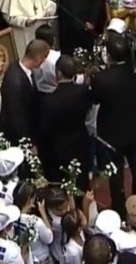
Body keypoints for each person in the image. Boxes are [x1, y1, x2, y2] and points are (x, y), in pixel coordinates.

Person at [91, 33, 136, 215]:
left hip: (112, 132)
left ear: (109, 55)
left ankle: (118, 204)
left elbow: (95, 99)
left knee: (115, 170)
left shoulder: (102, 78)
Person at [38, 55, 93, 183]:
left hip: (58, 149)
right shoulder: (84, 91)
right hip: (80, 142)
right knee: (82, 180)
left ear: (58, 73)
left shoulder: (49, 101)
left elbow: (45, 130)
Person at [0, 39, 50, 144]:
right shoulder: (16, 83)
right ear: (38, 59)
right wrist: (27, 143)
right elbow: (16, 118)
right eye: (44, 59)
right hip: (19, 138)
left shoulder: (17, 66)